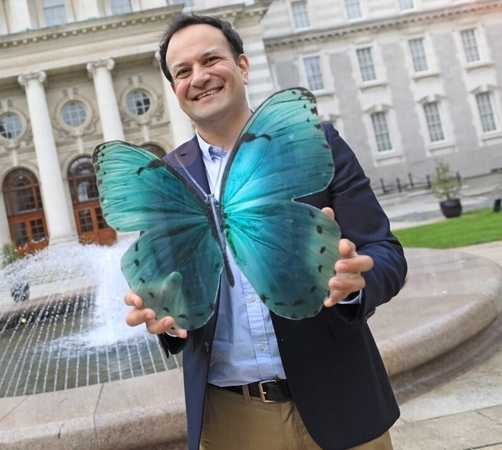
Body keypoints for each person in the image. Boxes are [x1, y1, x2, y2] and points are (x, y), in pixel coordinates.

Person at [123, 14, 408, 450]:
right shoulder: (165, 181)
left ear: (242, 66)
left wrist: (355, 283)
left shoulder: (315, 140)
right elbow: (168, 292)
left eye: (210, 60)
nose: (198, 77)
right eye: (182, 72)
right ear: (175, 89)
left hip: (341, 399)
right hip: (233, 419)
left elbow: (385, 252)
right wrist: (167, 319)